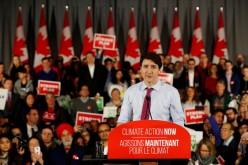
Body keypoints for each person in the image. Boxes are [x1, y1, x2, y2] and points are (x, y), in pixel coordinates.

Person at [117, 52, 184, 125]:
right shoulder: (131, 91)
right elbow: (123, 119)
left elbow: (178, 121)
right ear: (140, 69)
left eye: (153, 67)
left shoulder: (171, 92)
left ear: (159, 70)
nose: (149, 71)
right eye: (145, 66)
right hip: (138, 135)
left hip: (162, 136)